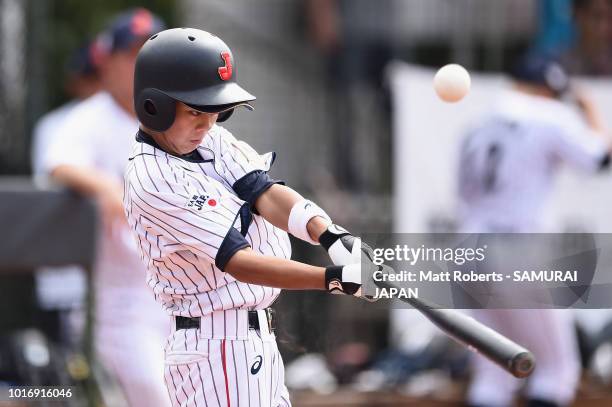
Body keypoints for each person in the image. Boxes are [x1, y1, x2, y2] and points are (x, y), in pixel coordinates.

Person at [124, 27, 376, 407]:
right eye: (195, 111)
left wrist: (332, 238)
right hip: (214, 349)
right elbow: (240, 262)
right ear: (154, 106)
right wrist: (333, 279)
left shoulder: (208, 139)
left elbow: (266, 194)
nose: (207, 124)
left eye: (214, 112)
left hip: (251, 343)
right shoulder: (153, 178)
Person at [458, 54, 611, 407]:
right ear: (544, 89)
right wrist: (589, 108)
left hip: (470, 247)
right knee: (556, 371)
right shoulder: (548, 114)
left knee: (493, 374)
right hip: (518, 250)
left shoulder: (478, 123)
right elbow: (600, 157)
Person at [41, 9, 171, 406]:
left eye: (150, 54)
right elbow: (58, 165)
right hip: (116, 302)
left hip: (177, 294)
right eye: (131, 54)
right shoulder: (88, 119)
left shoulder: (178, 120)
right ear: (107, 61)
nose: (140, 64)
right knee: (157, 394)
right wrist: (105, 185)